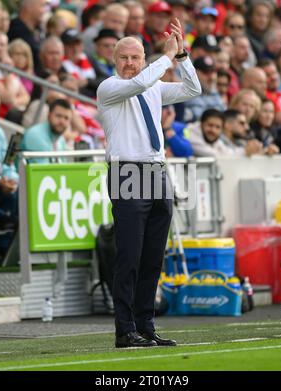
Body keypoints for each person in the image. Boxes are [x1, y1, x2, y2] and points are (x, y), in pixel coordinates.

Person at [97, 18, 201, 348]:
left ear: (143, 58)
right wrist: (166, 58)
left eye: (136, 57)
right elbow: (140, 84)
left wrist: (181, 56)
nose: (130, 63)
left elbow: (192, 90)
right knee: (129, 255)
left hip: (157, 172)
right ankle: (124, 329)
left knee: (153, 255)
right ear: (115, 61)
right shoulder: (109, 88)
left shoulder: (152, 86)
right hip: (127, 172)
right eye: (124, 58)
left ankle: (145, 325)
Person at [0, 82, 18, 263]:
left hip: (1, 186)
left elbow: (8, 163)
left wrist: (11, 180)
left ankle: (4, 251)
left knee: (17, 195)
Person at [21, 99, 73, 164]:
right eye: (58, 116)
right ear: (49, 115)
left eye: (66, 118)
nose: (62, 121)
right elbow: (43, 170)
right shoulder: (36, 134)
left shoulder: (61, 139)